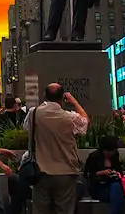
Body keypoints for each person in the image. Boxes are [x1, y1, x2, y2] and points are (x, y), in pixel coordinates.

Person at [25, 84, 89, 214]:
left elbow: (27, 128)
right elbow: (85, 122)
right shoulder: (70, 118)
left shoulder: (34, 113)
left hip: (40, 172)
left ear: (44, 96)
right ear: (62, 98)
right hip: (65, 173)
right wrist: (74, 101)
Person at [82, 135, 125, 214]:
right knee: (117, 196)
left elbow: (120, 171)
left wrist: (116, 173)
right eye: (108, 151)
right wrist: (99, 173)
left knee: (116, 188)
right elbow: (86, 174)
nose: (110, 154)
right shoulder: (94, 156)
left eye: (112, 151)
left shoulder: (115, 156)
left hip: (112, 183)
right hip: (98, 185)